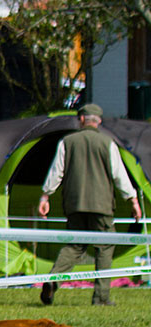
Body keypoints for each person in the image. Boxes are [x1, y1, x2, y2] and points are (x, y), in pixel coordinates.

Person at [38, 103, 141, 306]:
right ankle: (101, 298)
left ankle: (52, 281)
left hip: (75, 204)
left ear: (81, 119)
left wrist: (45, 197)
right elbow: (119, 175)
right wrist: (133, 200)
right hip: (102, 206)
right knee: (104, 247)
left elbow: (55, 172)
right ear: (99, 121)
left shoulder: (67, 142)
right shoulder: (107, 143)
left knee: (74, 246)